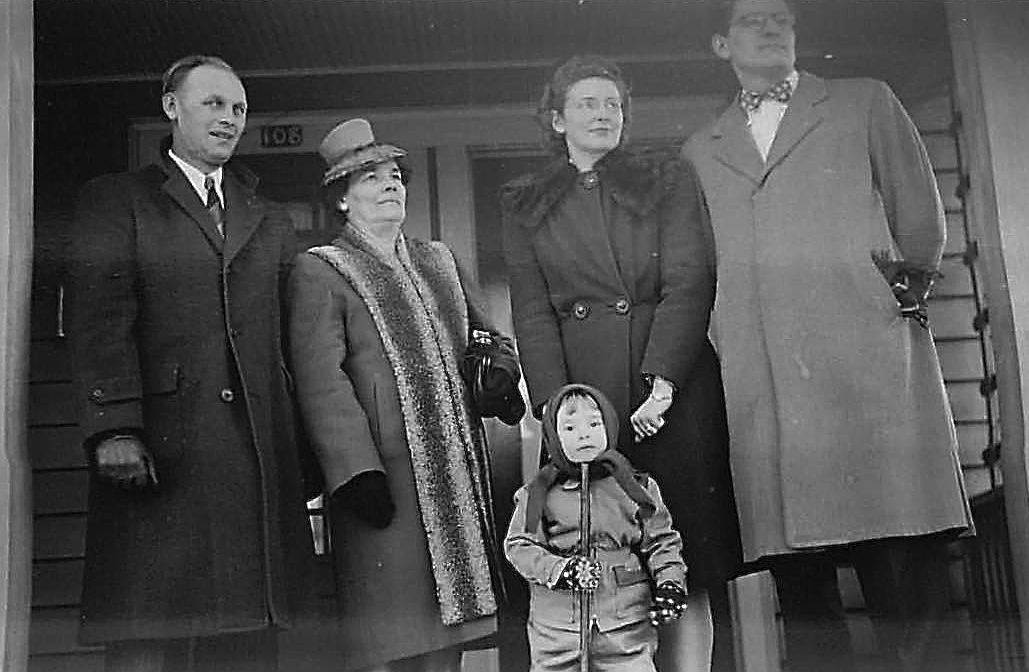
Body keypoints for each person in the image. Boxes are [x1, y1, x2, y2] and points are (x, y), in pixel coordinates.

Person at [682, 2, 974, 670]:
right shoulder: (702, 148)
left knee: (903, 564)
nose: (771, 27)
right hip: (770, 387)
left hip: (866, 368)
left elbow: (918, 217)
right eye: (753, 19)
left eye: (781, 17)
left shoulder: (863, 102)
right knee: (806, 598)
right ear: (721, 43)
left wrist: (894, 295)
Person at [64, 54, 315, 672]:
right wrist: (114, 427)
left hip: (255, 457)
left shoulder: (268, 217)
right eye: (214, 104)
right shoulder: (119, 201)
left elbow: (297, 333)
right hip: (160, 450)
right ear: (171, 108)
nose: (229, 119)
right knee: (152, 635)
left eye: (239, 109)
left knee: (247, 640)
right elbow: (98, 319)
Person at [501, 54, 742, 672]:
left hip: (670, 388)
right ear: (557, 121)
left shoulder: (667, 179)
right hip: (585, 399)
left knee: (681, 556)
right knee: (594, 552)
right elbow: (532, 313)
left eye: (613, 104)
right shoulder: (527, 204)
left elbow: (690, 279)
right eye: (587, 103)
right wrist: (559, 411)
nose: (603, 114)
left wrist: (662, 384)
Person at [288, 118, 518, 672]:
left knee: (449, 638)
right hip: (382, 481)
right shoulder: (321, 270)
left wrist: (500, 373)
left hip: (456, 475)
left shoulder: (439, 259)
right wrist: (355, 472)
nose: (390, 184)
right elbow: (321, 380)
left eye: (395, 175)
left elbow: (488, 337)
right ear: (341, 200)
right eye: (370, 177)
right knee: (394, 637)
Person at [505, 384, 688, 672]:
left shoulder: (636, 488)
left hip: (625, 625)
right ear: (553, 435)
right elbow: (519, 545)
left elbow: (662, 542)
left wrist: (671, 584)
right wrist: (560, 570)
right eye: (570, 427)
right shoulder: (537, 494)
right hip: (557, 632)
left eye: (594, 423)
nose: (584, 434)